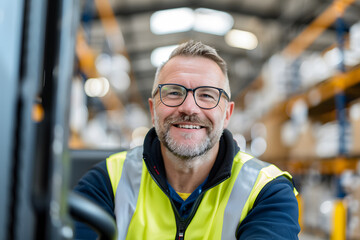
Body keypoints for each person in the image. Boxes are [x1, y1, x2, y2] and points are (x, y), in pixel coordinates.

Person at [73, 40, 300, 239]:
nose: (189, 107)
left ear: (227, 114)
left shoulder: (266, 191)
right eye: (173, 92)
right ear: (153, 110)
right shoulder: (108, 181)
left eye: (207, 95)